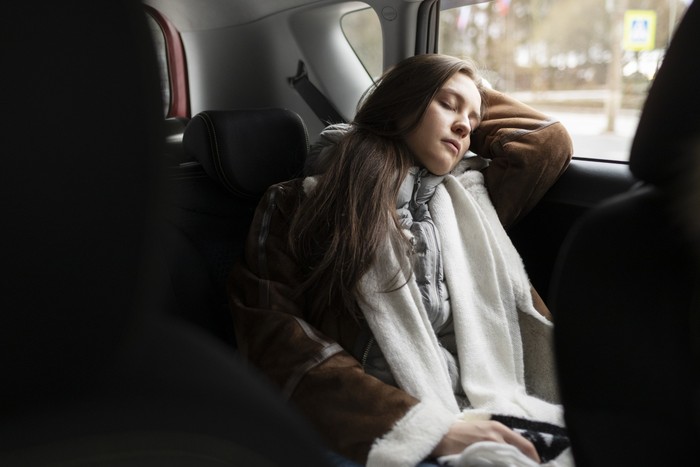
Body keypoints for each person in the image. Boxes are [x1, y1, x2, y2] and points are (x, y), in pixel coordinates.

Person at [229, 54, 573, 466]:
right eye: (447, 104)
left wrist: (466, 88)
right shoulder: (299, 202)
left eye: (474, 121)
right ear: (400, 103)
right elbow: (276, 342)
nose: (465, 127)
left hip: (483, 403)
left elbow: (545, 141)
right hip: (381, 420)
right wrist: (426, 428)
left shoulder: (470, 198)